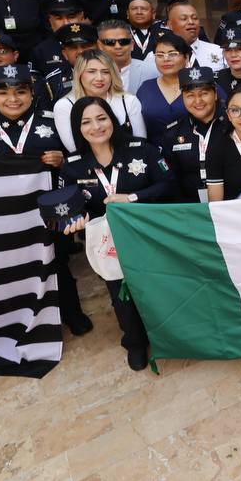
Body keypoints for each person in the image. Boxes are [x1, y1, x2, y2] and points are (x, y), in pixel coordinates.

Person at [56, 97, 175, 370]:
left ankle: (168, 332)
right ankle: (134, 341)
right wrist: (75, 219)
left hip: (146, 234)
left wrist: (132, 197)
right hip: (107, 241)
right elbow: (69, 206)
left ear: (113, 119)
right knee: (120, 292)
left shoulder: (141, 149)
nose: (96, 127)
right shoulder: (72, 165)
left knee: (158, 286)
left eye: (102, 118)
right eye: (86, 122)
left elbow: (167, 183)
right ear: (77, 128)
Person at [0, 65, 65, 165]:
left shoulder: (55, 124)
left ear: (32, 94)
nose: (13, 99)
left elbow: (73, 162)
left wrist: (63, 162)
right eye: (3, 93)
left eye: (21, 92)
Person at [52, 50, 146, 152]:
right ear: (79, 74)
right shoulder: (64, 106)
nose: (99, 78)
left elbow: (141, 144)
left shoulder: (128, 101)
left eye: (105, 72)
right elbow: (74, 149)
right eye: (91, 72)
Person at [161, 66, 225, 203]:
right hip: (189, 207)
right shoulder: (173, 133)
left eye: (204, 93)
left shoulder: (232, 126)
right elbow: (170, 179)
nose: (198, 101)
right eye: (190, 95)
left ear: (215, 94)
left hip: (232, 203)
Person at [137, 31, 191, 146]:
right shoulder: (146, 88)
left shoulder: (201, 85)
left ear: (186, 58)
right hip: (155, 153)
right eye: (160, 55)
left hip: (197, 151)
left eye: (172, 54)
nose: (166, 59)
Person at [97, 19, 158, 95]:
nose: (118, 46)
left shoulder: (153, 71)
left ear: (132, 44)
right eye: (110, 42)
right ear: (100, 45)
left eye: (124, 42)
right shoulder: (89, 74)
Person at [163, 1, 224, 70]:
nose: (191, 22)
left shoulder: (218, 51)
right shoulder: (159, 57)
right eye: (184, 19)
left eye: (194, 18)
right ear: (170, 25)